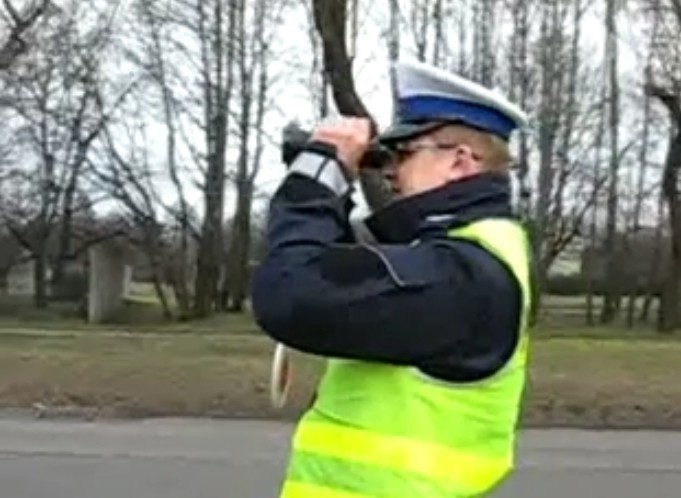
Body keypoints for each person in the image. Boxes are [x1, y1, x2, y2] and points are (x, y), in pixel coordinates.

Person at [251, 60, 534, 498]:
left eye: (402, 154)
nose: (388, 171)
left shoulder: (463, 274)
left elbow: (293, 296)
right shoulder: (459, 252)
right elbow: (341, 273)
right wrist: (331, 182)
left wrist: (312, 186)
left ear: (459, 162)